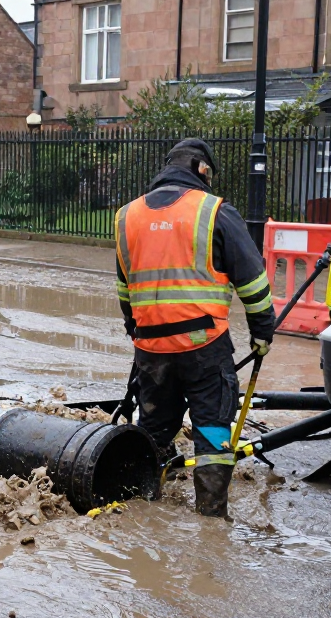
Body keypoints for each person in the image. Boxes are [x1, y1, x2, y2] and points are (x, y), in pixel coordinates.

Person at [115, 138, 276, 519]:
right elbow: (252, 281)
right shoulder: (214, 210)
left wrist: (136, 330)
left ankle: (141, 506)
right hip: (205, 346)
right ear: (202, 170)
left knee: (153, 430)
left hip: (151, 350)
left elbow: (125, 288)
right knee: (212, 432)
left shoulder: (127, 216)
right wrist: (262, 332)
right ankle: (211, 520)